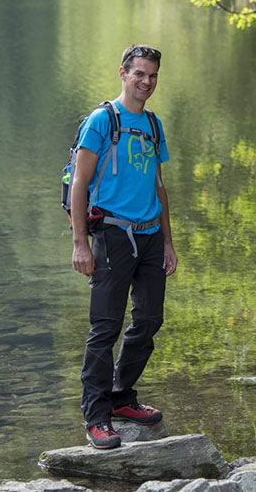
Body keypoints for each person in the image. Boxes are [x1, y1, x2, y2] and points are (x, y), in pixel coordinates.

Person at [70, 44, 178, 449]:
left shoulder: (153, 124)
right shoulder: (102, 120)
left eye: (152, 76)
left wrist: (168, 241)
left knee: (149, 321)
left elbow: (158, 186)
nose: (146, 82)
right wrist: (81, 244)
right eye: (139, 74)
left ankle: (120, 397)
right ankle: (96, 417)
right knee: (105, 328)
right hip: (111, 235)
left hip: (150, 236)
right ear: (123, 73)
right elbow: (79, 183)